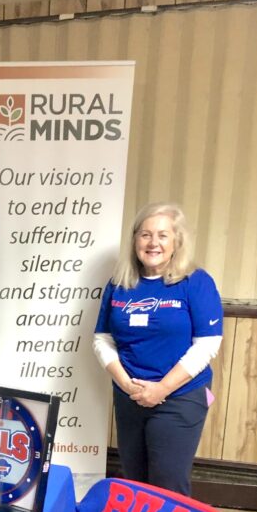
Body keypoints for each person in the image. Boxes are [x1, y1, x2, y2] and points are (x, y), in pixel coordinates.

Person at [93, 202, 223, 495]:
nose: (153, 243)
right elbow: (102, 339)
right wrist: (126, 384)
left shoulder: (196, 282)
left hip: (179, 397)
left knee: (168, 483)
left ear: (177, 241)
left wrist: (162, 389)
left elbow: (207, 345)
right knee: (134, 480)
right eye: (146, 234)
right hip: (130, 396)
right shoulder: (119, 283)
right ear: (135, 240)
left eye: (163, 235)